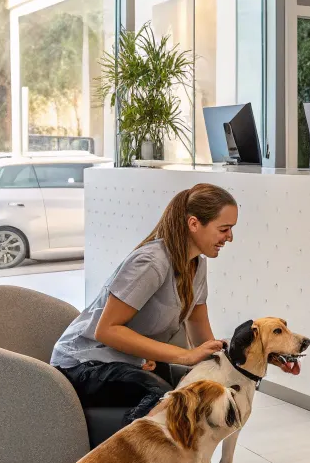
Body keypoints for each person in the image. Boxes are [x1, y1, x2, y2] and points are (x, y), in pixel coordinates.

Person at [51, 183, 295, 427]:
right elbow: (106, 330)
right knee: (168, 399)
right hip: (82, 364)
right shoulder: (150, 262)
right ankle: (132, 460)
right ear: (193, 224)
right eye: (224, 229)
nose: (230, 237)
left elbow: (201, 334)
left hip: (126, 362)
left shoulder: (196, 265)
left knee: (194, 392)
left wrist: (258, 358)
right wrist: (185, 356)